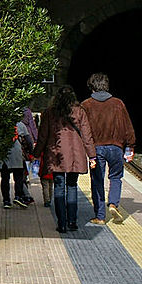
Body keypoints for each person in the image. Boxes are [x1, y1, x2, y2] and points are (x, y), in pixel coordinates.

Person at [34, 86, 96, 233]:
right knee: (72, 186)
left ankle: (61, 224)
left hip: (56, 155)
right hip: (75, 155)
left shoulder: (49, 112)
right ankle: (72, 222)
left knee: (59, 187)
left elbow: (43, 135)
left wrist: (36, 153)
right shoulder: (80, 111)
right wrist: (92, 156)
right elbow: (87, 136)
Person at [81, 73, 136, 224]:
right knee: (116, 177)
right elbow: (127, 126)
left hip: (96, 149)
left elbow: (83, 129)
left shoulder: (86, 105)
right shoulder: (118, 103)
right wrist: (130, 145)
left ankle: (100, 216)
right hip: (116, 147)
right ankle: (113, 204)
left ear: (91, 86)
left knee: (97, 180)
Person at [0, 121, 31, 209]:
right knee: (18, 177)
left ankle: (6, 201)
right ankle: (18, 196)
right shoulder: (20, 124)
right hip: (16, 154)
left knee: (5, 178)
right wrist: (31, 152)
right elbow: (29, 140)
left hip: (3, 155)